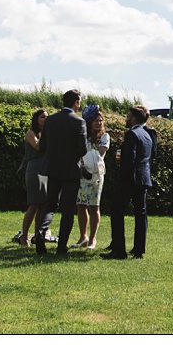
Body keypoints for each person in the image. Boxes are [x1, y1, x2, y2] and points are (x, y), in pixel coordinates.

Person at [36, 90, 87, 257]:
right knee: (67, 208)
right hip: (71, 169)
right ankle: (61, 245)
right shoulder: (79, 122)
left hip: (52, 167)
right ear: (76, 102)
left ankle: (41, 232)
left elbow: (42, 146)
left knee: (50, 204)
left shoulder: (50, 120)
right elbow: (83, 149)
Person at [106, 104, 155, 259]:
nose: (125, 119)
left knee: (116, 209)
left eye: (127, 116)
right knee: (141, 213)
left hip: (130, 177)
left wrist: (121, 167)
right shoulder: (148, 135)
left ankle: (119, 250)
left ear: (133, 118)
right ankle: (139, 250)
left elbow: (130, 158)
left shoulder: (132, 134)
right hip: (144, 178)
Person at [75, 107, 110, 249]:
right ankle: (83, 236)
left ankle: (92, 239)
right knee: (81, 205)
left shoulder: (104, 137)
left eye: (100, 121)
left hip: (95, 175)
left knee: (94, 206)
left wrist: (84, 158)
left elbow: (99, 153)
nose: (99, 123)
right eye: (96, 120)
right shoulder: (83, 136)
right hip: (82, 173)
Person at [13, 109, 48, 246]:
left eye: (47, 117)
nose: (45, 119)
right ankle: (24, 235)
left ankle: (37, 235)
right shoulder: (30, 133)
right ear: (36, 119)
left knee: (42, 204)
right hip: (34, 168)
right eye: (42, 117)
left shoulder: (48, 133)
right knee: (33, 203)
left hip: (45, 169)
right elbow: (38, 146)